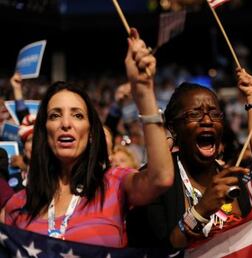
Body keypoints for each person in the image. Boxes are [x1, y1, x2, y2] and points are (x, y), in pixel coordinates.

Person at [0, 27, 174, 248]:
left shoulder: (115, 184)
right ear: (43, 132)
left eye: (77, 115)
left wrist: (143, 91)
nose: (65, 123)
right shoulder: (16, 205)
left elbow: (161, 178)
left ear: (92, 134)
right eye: (55, 115)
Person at [127, 68, 252, 255]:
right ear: (173, 128)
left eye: (214, 114)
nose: (207, 120)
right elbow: (154, 251)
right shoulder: (155, 181)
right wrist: (201, 210)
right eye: (194, 114)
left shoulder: (235, 180)